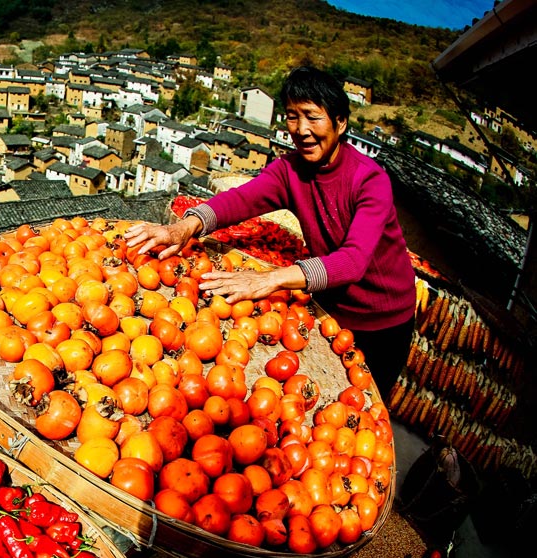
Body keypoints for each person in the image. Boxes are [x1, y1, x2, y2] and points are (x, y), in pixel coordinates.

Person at [125, 66, 417, 399]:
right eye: (293, 117)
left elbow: (353, 261)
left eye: (313, 117)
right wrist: (184, 226)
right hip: (330, 305)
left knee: (363, 403)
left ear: (340, 123)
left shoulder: (369, 180)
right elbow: (240, 200)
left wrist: (269, 279)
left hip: (383, 320)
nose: (302, 130)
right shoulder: (291, 170)